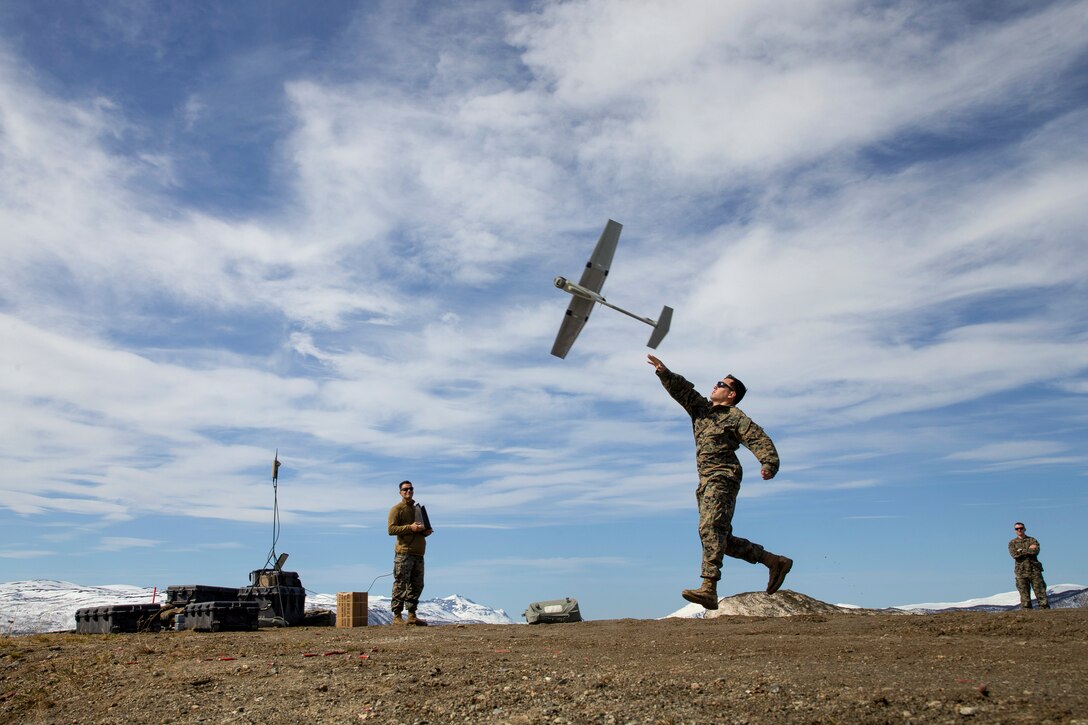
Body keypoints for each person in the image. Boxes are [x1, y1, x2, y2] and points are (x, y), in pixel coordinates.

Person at [647, 354, 792, 610]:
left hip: (723, 476)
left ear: (731, 395)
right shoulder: (701, 411)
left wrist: (769, 463)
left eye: (721, 385)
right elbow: (684, 392)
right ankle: (773, 561)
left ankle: (709, 588)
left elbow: (758, 439)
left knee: (710, 528)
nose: (715, 386)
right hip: (705, 481)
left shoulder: (735, 417)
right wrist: (664, 372)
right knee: (720, 538)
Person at [388, 480, 433, 625]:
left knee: (417, 584)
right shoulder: (397, 509)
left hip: (419, 553)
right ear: (400, 492)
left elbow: (421, 528)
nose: (408, 491)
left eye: (411, 489)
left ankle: (412, 615)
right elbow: (391, 529)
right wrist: (410, 527)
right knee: (401, 583)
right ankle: (397, 616)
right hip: (404, 553)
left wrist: (426, 531)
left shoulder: (417, 509)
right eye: (405, 489)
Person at [1008, 522, 1049, 609]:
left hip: (1034, 569)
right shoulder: (1012, 543)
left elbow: (1035, 551)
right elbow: (1014, 555)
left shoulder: (1032, 540)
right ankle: (1027, 613)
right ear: (1015, 530)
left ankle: (1044, 610)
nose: (1019, 530)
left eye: (1021, 528)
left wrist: (1021, 551)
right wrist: (1028, 550)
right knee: (1024, 595)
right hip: (1021, 571)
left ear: (1024, 529)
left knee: (1040, 592)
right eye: (1017, 529)